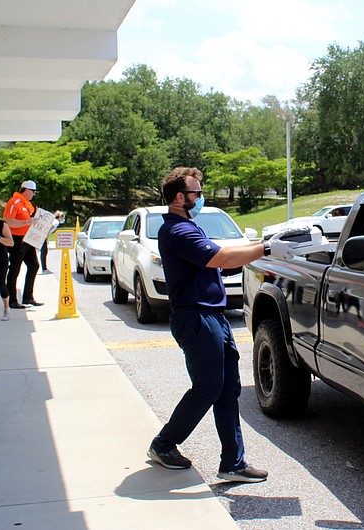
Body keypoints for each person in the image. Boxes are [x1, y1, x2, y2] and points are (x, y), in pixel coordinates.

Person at [147, 167, 294, 483]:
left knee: (228, 389)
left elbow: (224, 257)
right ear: (178, 197)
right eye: (196, 193)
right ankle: (163, 444)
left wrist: (265, 245)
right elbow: (220, 258)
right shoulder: (175, 230)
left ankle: (233, 462)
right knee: (209, 387)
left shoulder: (190, 226)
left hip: (213, 317)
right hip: (197, 318)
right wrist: (266, 248)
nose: (200, 197)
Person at [4, 180, 43, 309]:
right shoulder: (14, 202)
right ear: (26, 190)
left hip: (27, 239)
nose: (34, 194)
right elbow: (8, 221)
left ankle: (28, 297)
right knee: (15, 268)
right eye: (33, 192)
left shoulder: (26, 204)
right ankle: (12, 299)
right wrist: (28, 221)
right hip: (17, 240)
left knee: (34, 265)